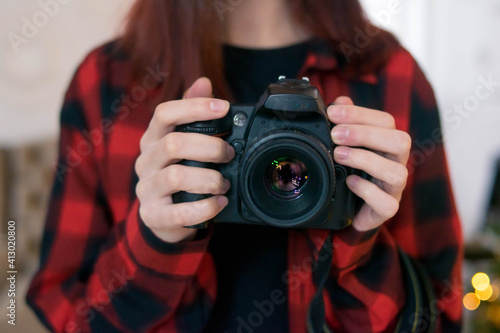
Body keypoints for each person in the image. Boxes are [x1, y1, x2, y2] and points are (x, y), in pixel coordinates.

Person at [26, 0, 463, 332]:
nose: (285, 178)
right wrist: (155, 239)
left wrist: (359, 247)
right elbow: (65, 311)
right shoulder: (108, 82)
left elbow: (441, 316)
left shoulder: (391, 75)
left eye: (289, 175)